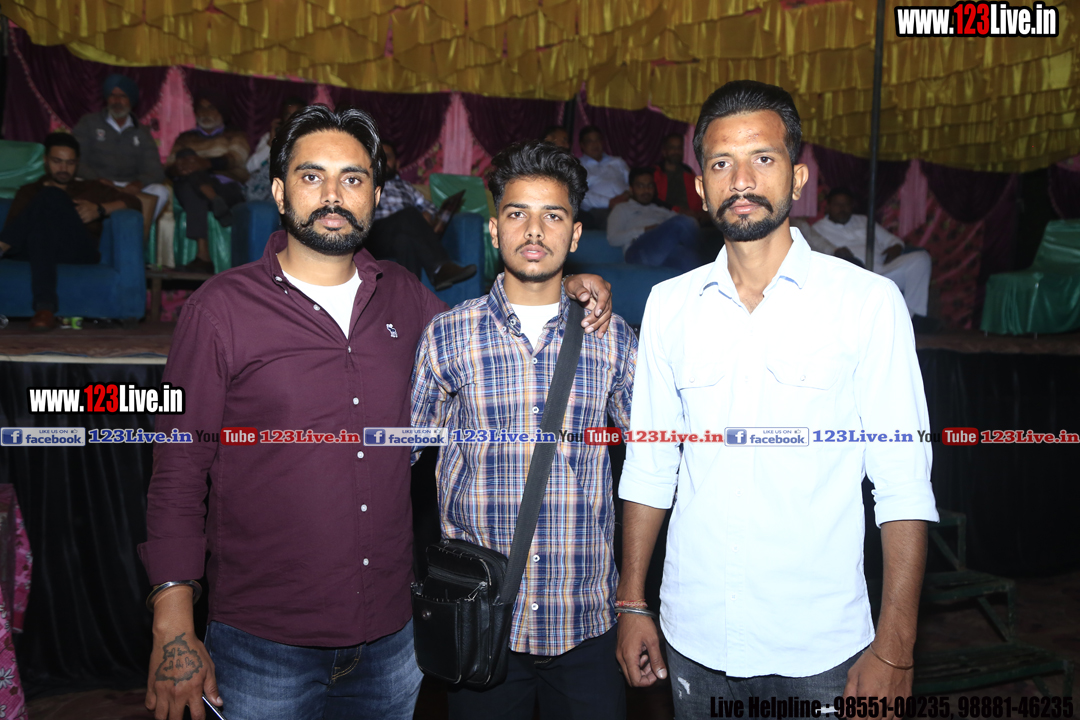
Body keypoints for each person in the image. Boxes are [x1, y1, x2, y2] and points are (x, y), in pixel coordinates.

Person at [139, 104, 614, 720]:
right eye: (312, 176)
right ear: (280, 192)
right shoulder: (218, 311)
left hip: (393, 644)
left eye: (353, 179)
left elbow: (496, 331)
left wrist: (568, 287)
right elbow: (177, 470)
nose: (333, 195)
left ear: (376, 196)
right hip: (264, 645)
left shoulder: (406, 298)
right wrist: (173, 623)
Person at [615, 80, 938, 719]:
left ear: (798, 178)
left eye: (762, 158)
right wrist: (631, 602)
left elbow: (903, 484)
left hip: (822, 650)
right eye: (721, 163)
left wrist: (897, 646)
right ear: (700, 187)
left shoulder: (868, 304)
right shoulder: (669, 307)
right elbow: (650, 466)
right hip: (693, 639)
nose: (741, 180)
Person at [411, 140, 637, 720]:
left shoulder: (612, 336)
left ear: (576, 235)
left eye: (552, 215)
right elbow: (401, 459)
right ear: (493, 230)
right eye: (517, 213)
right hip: (481, 620)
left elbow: (656, 458)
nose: (534, 230)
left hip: (585, 622)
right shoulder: (447, 335)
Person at [0, 132, 141, 330]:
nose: (64, 169)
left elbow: (134, 202)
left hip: (78, 250)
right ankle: (45, 309)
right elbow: (14, 227)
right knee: (42, 228)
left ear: (77, 163)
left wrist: (99, 209)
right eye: (57, 161)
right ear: (45, 160)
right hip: (33, 249)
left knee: (51, 195)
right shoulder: (29, 191)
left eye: (70, 163)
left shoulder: (91, 188)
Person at [813, 188, 935, 329]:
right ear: (828, 207)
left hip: (883, 271)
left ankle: (912, 317)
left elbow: (893, 241)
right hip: (856, 279)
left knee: (921, 258)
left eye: (846, 205)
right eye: (837, 205)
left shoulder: (864, 221)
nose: (842, 209)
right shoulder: (817, 230)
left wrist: (896, 248)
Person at [364, 140, 475, 290]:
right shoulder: (366, 184)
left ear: (397, 163)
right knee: (408, 214)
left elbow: (430, 207)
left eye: (387, 157)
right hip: (375, 236)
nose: (383, 161)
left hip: (400, 235)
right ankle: (440, 268)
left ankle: (410, 296)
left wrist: (428, 213)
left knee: (404, 241)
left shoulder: (406, 187)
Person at [72, 74, 170, 238]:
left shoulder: (142, 132)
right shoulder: (89, 123)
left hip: (128, 188)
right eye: (112, 95)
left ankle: (135, 237)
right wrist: (97, 179)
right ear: (107, 98)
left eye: (123, 96)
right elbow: (76, 160)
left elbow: (156, 171)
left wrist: (137, 184)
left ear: (131, 100)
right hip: (96, 183)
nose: (117, 101)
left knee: (161, 191)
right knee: (74, 181)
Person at [165, 95, 251, 274]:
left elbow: (237, 157)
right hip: (197, 191)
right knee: (189, 177)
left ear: (221, 112)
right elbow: (170, 166)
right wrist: (181, 169)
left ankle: (203, 257)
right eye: (201, 108)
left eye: (211, 108)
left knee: (191, 181)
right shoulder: (185, 138)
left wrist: (206, 164)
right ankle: (213, 199)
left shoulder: (234, 135)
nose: (205, 113)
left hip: (226, 187)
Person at [606, 167, 700, 273]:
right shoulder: (622, 208)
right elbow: (613, 239)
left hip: (664, 251)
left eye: (650, 185)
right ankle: (710, 254)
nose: (646, 190)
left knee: (689, 257)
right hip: (637, 252)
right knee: (681, 222)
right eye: (640, 186)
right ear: (631, 189)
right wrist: (645, 230)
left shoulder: (661, 210)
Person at [245, 96, 307, 202]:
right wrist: (270, 144)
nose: (292, 119)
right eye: (288, 115)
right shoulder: (270, 138)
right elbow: (250, 167)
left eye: (296, 115)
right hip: (266, 190)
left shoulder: (310, 140)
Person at [578, 125, 629, 230]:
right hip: (599, 209)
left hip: (627, 203)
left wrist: (626, 195)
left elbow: (633, 183)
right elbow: (580, 194)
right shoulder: (578, 166)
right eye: (590, 141)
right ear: (582, 145)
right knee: (618, 222)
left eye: (598, 140)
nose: (595, 144)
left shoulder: (618, 162)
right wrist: (609, 202)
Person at [652, 132, 706, 223]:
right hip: (663, 218)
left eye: (679, 148)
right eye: (672, 148)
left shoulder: (688, 172)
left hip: (692, 219)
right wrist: (677, 210)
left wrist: (700, 214)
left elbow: (698, 200)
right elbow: (653, 201)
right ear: (664, 151)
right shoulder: (655, 173)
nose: (676, 151)